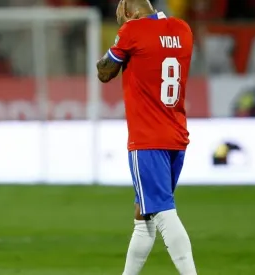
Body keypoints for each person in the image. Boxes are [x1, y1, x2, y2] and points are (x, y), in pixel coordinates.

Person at [96, 0, 198, 274]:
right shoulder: (183, 29)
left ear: (128, 11)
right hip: (176, 136)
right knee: (143, 217)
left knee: (163, 213)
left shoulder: (132, 32)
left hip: (147, 139)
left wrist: (124, 31)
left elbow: (104, 72)